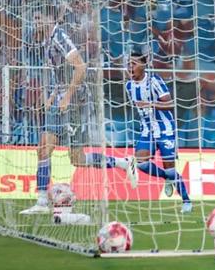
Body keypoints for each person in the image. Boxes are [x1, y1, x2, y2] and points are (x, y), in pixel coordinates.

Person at [21, 12, 136, 215]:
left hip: (76, 103)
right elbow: (62, 73)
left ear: (51, 18)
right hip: (61, 100)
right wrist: (55, 94)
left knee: (77, 159)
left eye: (40, 17)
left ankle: (122, 162)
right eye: (35, 18)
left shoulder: (60, 37)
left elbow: (80, 67)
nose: (36, 22)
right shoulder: (46, 41)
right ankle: (40, 201)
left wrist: (67, 96)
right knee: (43, 147)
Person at [125, 51, 192, 214]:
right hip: (147, 130)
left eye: (133, 63)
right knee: (141, 162)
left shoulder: (154, 80)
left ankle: (186, 201)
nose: (130, 67)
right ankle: (167, 178)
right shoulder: (129, 86)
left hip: (165, 129)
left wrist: (150, 104)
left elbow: (170, 104)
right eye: (129, 63)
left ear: (143, 65)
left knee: (170, 167)